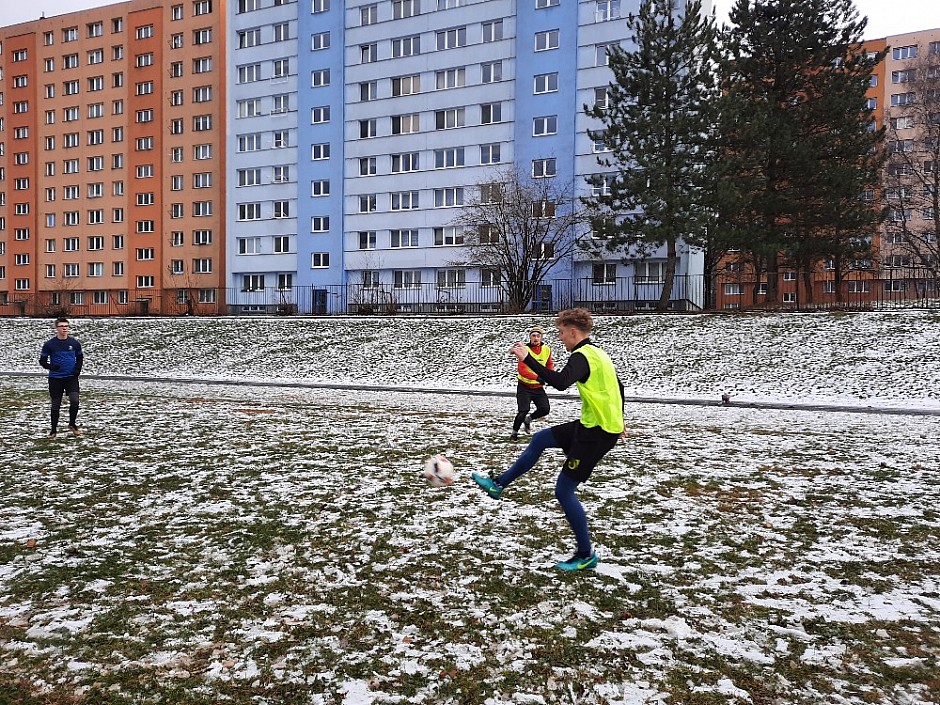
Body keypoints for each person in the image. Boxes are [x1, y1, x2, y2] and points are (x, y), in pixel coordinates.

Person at [472, 308, 625, 571]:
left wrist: (527, 357)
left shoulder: (582, 356)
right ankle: (498, 485)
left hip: (597, 433)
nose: (561, 338)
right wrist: (621, 419)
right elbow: (618, 385)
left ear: (573, 332)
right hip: (593, 424)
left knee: (563, 491)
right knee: (541, 438)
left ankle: (586, 555)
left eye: (562, 333)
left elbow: (561, 382)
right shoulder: (598, 353)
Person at [39, 317, 84, 438]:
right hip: (55, 379)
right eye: (62, 326)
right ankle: (53, 430)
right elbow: (42, 361)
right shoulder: (50, 344)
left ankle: (72, 424)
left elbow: (80, 357)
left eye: (66, 326)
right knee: (56, 404)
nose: (65, 328)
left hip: (71, 378)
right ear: (57, 328)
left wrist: (77, 370)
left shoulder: (74, 343)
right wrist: (52, 367)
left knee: (75, 400)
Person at [510, 325, 554, 441]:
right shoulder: (524, 350)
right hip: (524, 386)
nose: (535, 338)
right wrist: (537, 377)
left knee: (545, 409)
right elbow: (522, 370)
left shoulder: (547, 349)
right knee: (523, 410)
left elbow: (549, 364)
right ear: (530, 338)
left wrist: (550, 375)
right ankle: (514, 433)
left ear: (541, 338)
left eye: (538, 336)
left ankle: (529, 419)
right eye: (533, 336)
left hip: (538, 388)